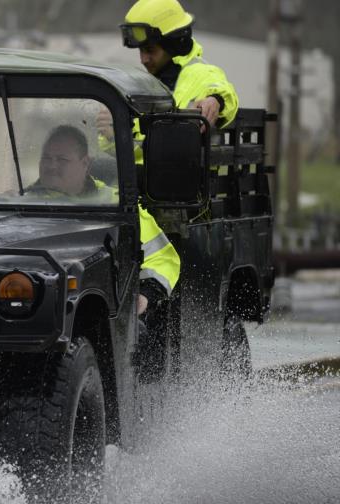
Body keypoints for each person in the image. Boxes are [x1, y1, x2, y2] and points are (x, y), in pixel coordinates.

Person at [28, 125, 180, 318]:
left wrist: (145, 294)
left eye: (62, 159)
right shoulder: (18, 204)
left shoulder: (116, 205)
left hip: (100, 315)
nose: (52, 166)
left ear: (85, 163)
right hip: (29, 306)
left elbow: (163, 258)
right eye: (46, 158)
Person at [98, 0, 239, 159]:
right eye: (141, 51)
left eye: (150, 50)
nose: (143, 59)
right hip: (150, 173)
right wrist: (113, 134)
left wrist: (216, 100)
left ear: (173, 45)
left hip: (185, 173)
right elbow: (139, 152)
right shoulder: (147, 84)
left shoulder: (203, 73)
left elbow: (226, 93)